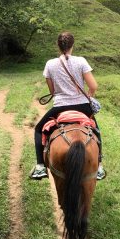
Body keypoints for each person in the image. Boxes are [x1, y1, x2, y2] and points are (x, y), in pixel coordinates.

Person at [30, 31, 106, 181]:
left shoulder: (50, 64)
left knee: (38, 129)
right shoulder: (81, 61)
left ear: (58, 46)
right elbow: (93, 86)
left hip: (60, 106)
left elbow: (53, 91)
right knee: (96, 130)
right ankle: (100, 166)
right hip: (83, 106)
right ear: (72, 45)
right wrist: (89, 96)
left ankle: (40, 166)